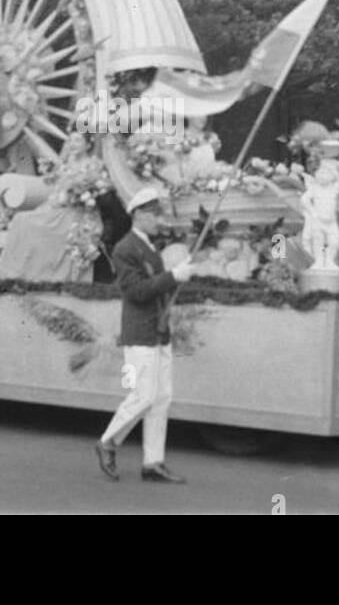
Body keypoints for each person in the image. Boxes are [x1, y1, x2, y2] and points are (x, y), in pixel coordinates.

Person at [95, 187, 195, 484]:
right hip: (139, 333)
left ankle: (153, 462)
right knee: (143, 396)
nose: (158, 219)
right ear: (138, 215)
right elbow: (136, 291)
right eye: (154, 214)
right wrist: (173, 276)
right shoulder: (125, 249)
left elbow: (157, 288)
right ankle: (107, 441)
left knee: (161, 399)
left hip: (158, 332)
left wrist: (175, 277)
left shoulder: (148, 248)